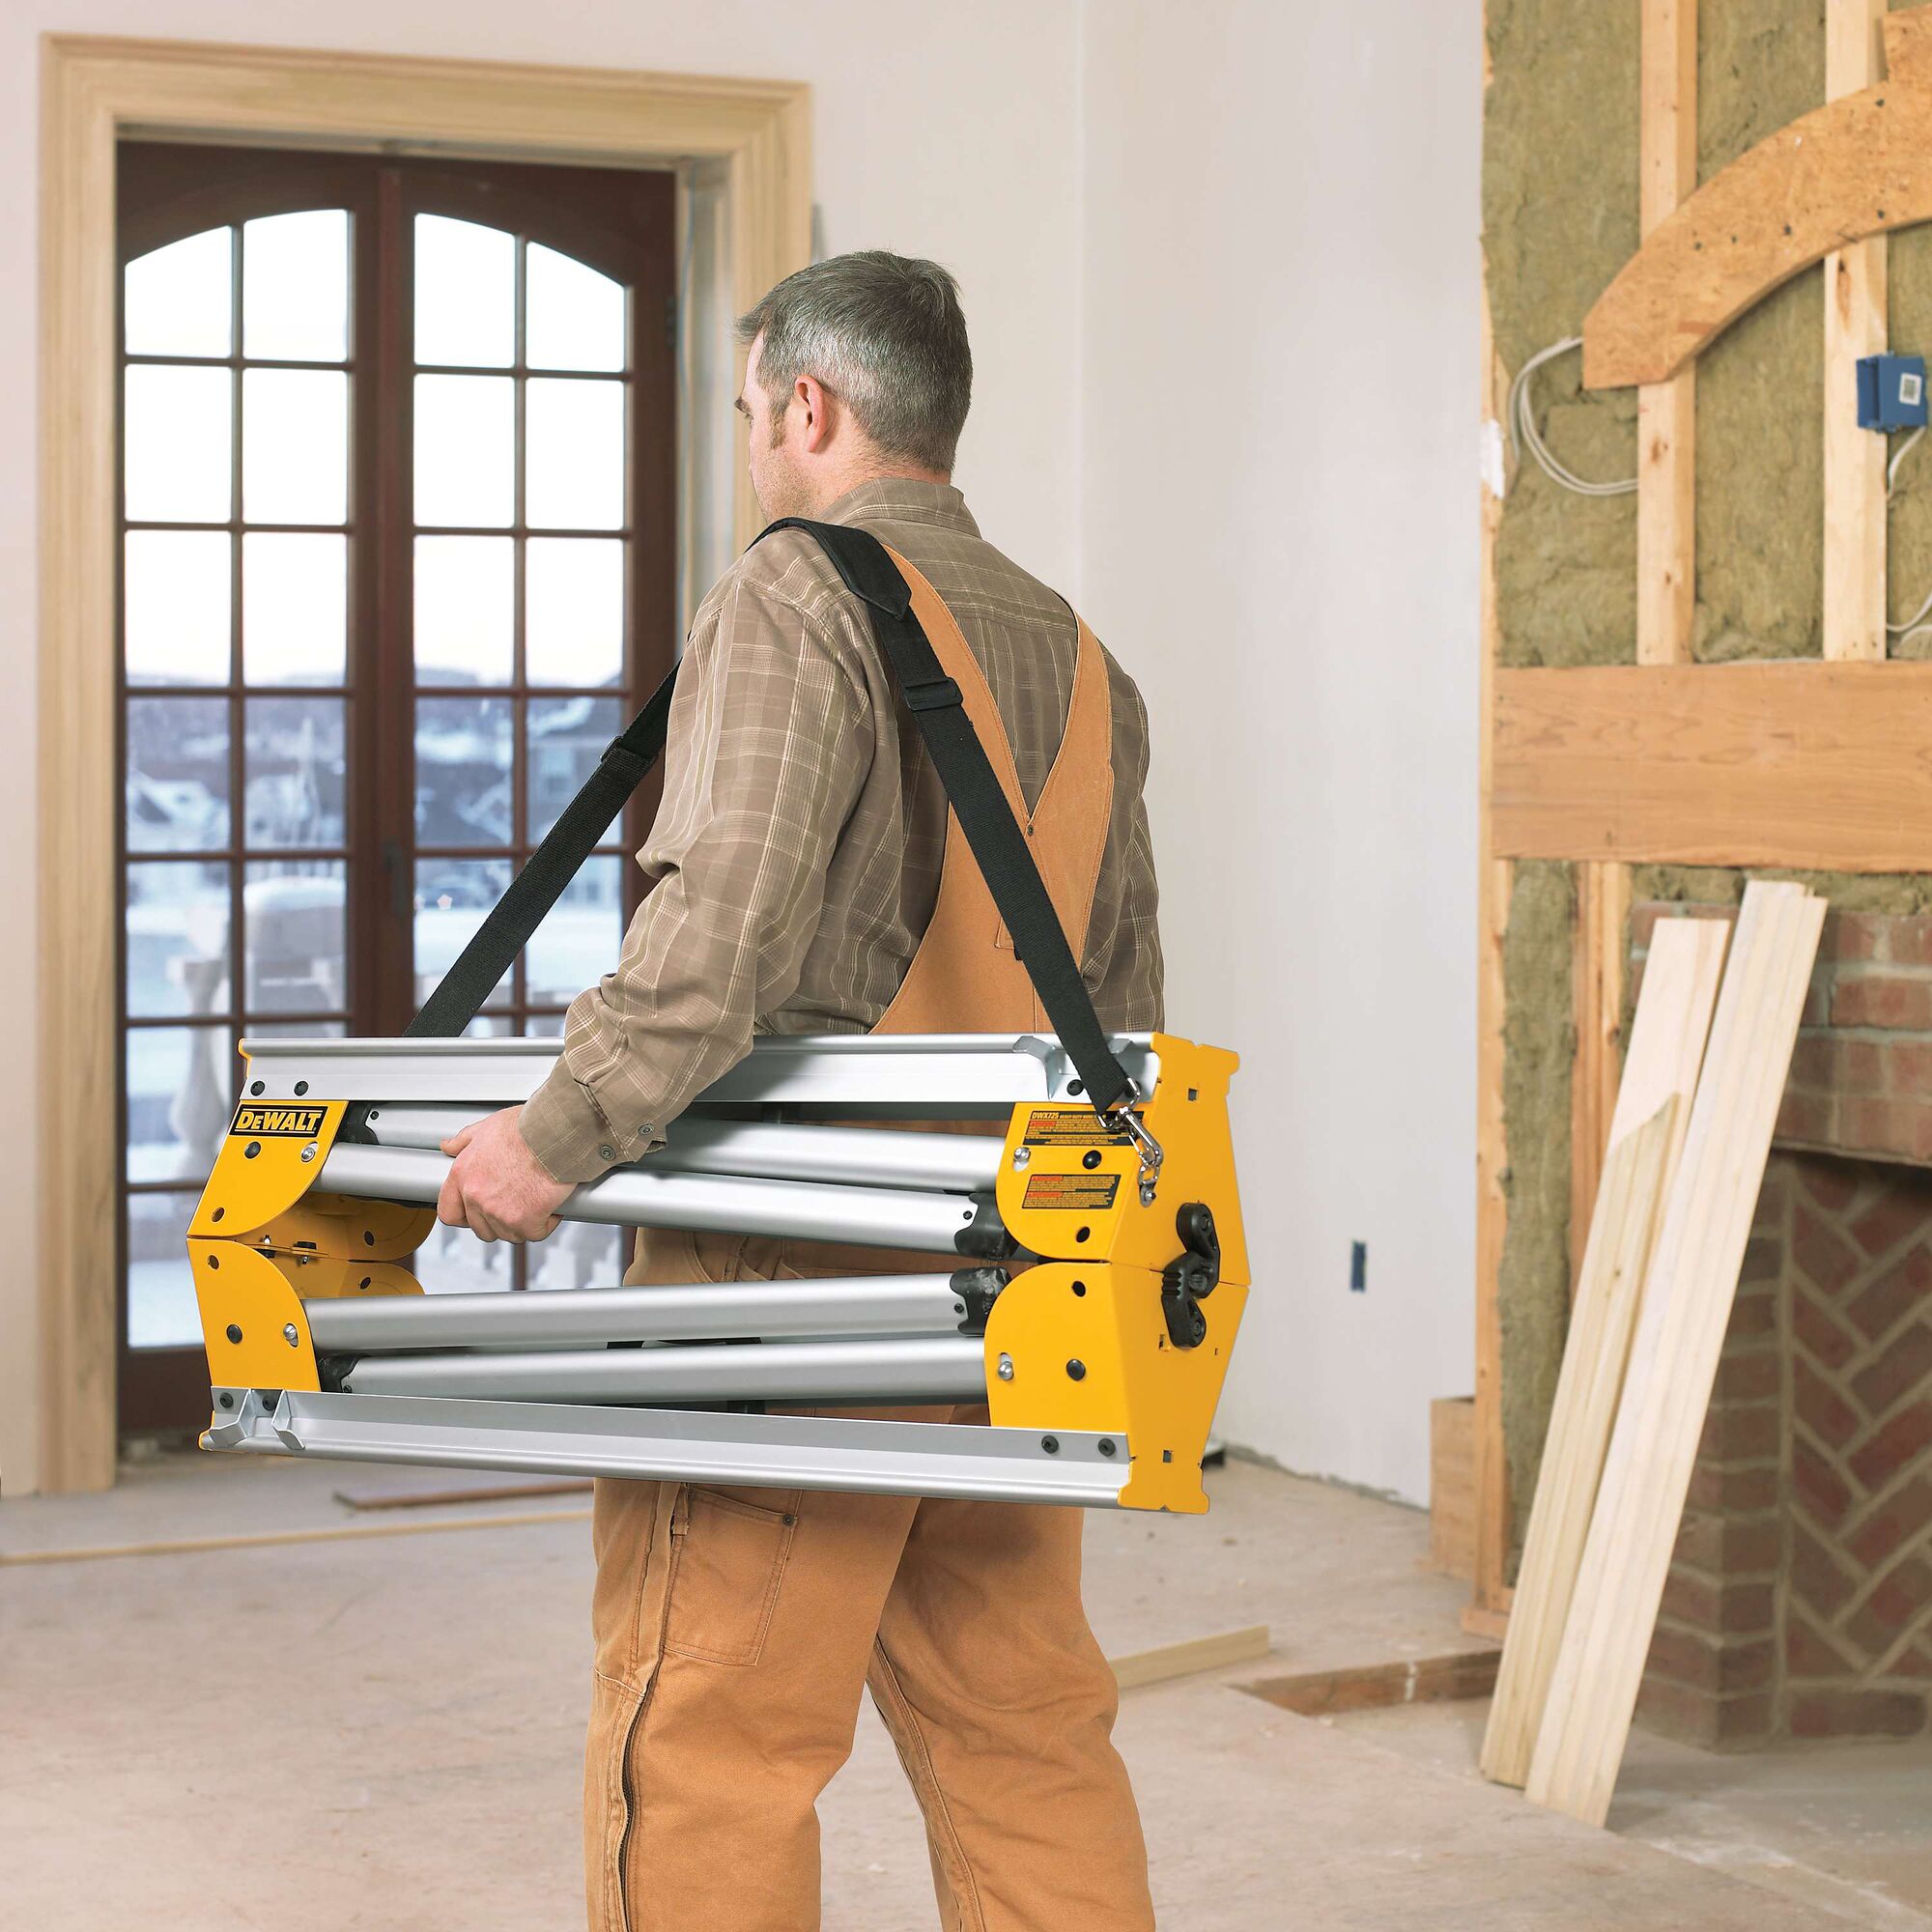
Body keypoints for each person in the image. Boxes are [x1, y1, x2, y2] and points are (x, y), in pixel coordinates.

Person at [435, 249, 1164, 1932]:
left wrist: (553, 1144)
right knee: (1025, 1725)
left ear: (810, 408)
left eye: (758, 408)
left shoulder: (796, 588)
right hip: (1011, 1256)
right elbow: (1123, 1008)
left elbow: (724, 923)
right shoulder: (1082, 657)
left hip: (798, 1256)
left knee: (714, 1732)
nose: (756, 441)